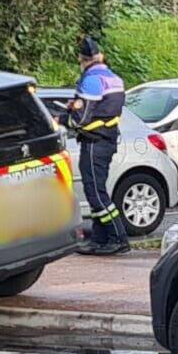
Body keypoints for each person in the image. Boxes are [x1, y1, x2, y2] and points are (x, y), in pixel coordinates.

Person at [64, 36, 130, 257]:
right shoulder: (114, 78)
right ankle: (100, 239)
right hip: (106, 140)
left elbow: (81, 118)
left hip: (94, 141)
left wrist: (66, 117)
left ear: (83, 60)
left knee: (96, 193)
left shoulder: (91, 80)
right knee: (97, 191)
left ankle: (117, 237)